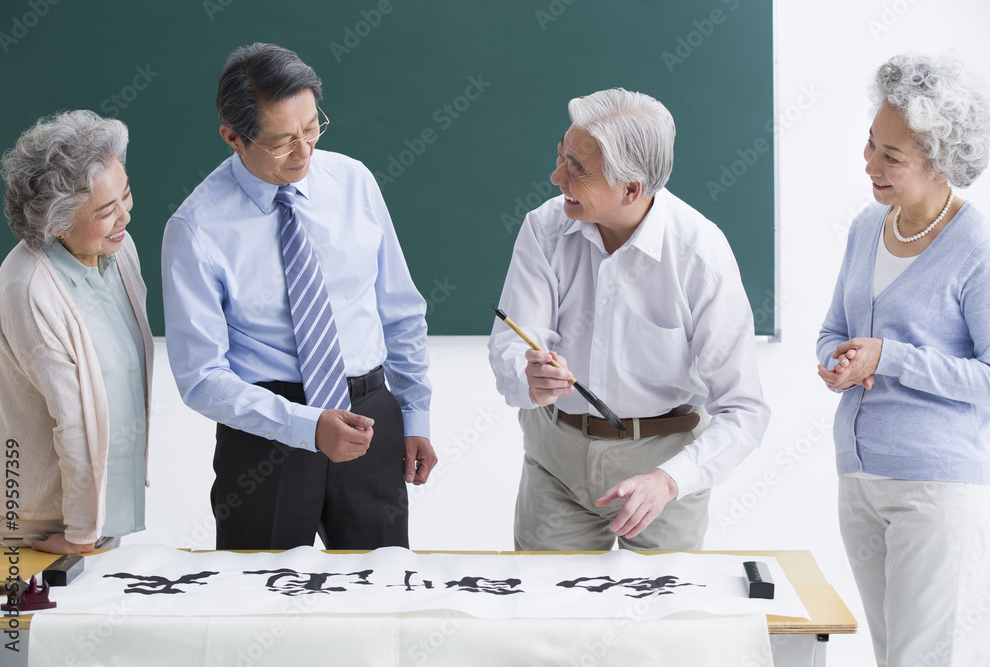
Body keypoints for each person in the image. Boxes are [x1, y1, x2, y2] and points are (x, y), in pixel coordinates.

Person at [162, 43, 436, 551]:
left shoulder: (353, 181)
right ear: (233, 137)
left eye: (311, 128)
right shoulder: (196, 229)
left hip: (371, 416)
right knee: (257, 601)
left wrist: (415, 416)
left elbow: (399, 311)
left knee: (378, 594)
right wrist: (305, 426)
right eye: (282, 141)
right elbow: (200, 378)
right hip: (267, 431)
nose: (305, 152)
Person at [488, 88, 770, 551]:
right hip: (555, 453)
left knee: (661, 615)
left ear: (632, 189)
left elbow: (744, 410)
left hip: (664, 461)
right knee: (547, 611)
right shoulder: (544, 228)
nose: (556, 176)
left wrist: (668, 481)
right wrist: (528, 373)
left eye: (576, 169)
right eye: (562, 156)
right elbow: (512, 344)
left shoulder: (701, 255)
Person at [817, 54, 990, 667]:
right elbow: (835, 329)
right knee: (889, 653)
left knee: (916, 659)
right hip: (859, 476)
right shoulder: (868, 226)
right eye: (871, 145)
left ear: (941, 162)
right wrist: (838, 362)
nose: (870, 164)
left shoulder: (976, 247)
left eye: (891, 157)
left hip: (931, 483)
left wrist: (890, 358)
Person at [0, 110, 153, 555]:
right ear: (57, 224)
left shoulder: (116, 250)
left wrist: (93, 526)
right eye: (105, 210)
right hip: (43, 522)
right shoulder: (29, 288)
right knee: (25, 624)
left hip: (99, 512)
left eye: (126, 195)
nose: (125, 217)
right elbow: (75, 419)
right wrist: (82, 534)